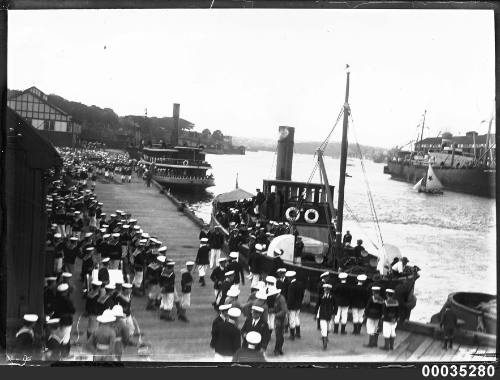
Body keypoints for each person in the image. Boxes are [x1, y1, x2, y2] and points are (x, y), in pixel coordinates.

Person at [53, 283, 75, 357]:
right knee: (66, 337)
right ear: (65, 291)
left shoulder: (56, 299)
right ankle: (65, 354)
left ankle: (59, 352)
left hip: (58, 320)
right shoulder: (68, 300)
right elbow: (73, 310)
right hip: (66, 320)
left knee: (60, 336)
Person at [268, 287, 288, 356]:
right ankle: (279, 349)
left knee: (279, 335)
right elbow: (278, 308)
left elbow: (284, 310)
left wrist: (275, 315)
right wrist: (272, 310)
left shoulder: (281, 299)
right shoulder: (278, 298)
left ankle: (277, 349)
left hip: (280, 319)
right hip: (280, 318)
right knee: (280, 335)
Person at [286, 271, 304, 340]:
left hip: (292, 306)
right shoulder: (300, 284)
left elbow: (290, 298)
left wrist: (288, 306)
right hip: (298, 305)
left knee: (292, 320)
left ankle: (292, 335)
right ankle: (298, 333)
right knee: (297, 318)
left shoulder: (291, 286)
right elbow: (302, 295)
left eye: (288, 278)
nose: (288, 279)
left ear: (290, 278)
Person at [317, 283, 335, 350]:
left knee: (329, 328)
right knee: (323, 327)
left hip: (329, 315)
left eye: (328, 290)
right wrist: (316, 313)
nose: (326, 291)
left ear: (329, 290)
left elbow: (335, 306)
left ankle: (326, 336)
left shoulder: (332, 297)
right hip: (322, 315)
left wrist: (334, 314)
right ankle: (324, 342)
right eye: (325, 289)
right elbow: (317, 305)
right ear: (324, 289)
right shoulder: (321, 296)